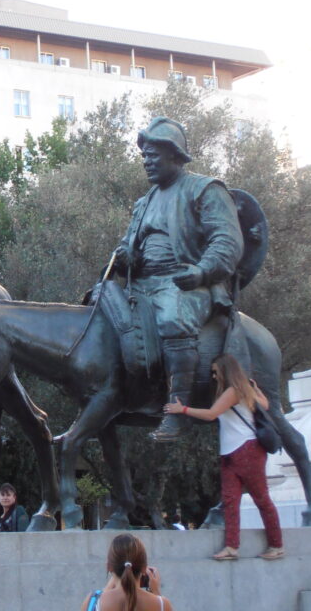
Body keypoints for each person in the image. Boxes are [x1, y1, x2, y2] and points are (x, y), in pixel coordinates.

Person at [112, 116, 243, 441]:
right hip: (142, 285)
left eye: (153, 155)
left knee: (172, 317)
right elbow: (129, 241)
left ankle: (177, 411)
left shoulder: (204, 189)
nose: (146, 162)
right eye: (144, 156)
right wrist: (127, 255)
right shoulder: (144, 203)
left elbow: (227, 240)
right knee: (101, 308)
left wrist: (201, 270)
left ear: (174, 155)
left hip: (187, 284)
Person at [164, 353, 284, 561]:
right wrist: (256, 389)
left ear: (225, 371)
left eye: (215, 371)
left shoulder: (233, 391)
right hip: (231, 452)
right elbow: (264, 405)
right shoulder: (243, 389)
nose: (213, 376)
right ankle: (232, 547)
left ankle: (276, 544)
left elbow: (211, 414)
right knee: (230, 501)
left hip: (246, 450)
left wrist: (182, 409)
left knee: (261, 498)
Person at [79, 533, 172, 611]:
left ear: (109, 567)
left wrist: (108, 587)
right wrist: (156, 592)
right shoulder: (162, 605)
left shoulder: (93, 602)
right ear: (144, 568)